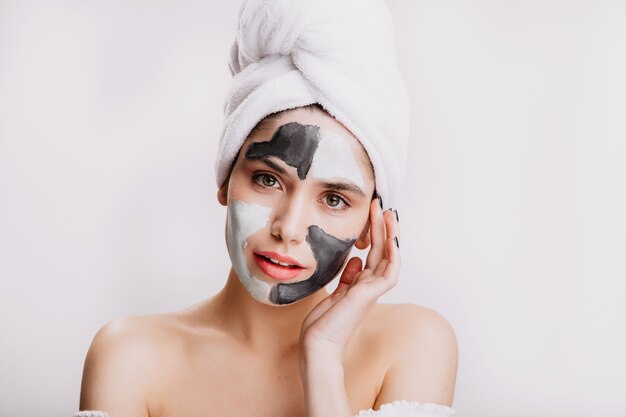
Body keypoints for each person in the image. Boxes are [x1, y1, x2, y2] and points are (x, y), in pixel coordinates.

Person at [75, 1, 458, 416]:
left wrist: (324, 357)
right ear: (225, 180)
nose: (289, 229)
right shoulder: (131, 357)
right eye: (268, 180)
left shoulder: (413, 344)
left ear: (370, 225)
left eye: (334, 199)